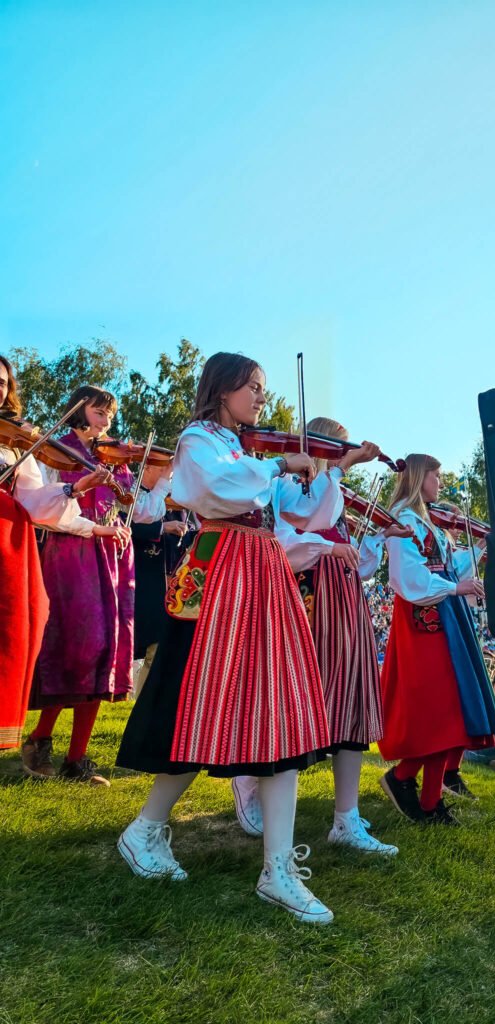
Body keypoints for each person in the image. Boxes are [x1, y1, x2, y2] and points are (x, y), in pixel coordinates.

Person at [116, 352, 335, 925]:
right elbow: (218, 489)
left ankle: (278, 867)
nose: (262, 397)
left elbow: (304, 514)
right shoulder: (199, 440)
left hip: (259, 574)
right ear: (224, 386)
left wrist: (328, 469)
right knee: (195, 703)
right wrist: (280, 464)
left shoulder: (244, 450)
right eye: (254, 387)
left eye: (263, 389)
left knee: (276, 707)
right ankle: (147, 829)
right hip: (220, 575)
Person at [232, 415, 410, 856]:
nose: (335, 456)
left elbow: (361, 566)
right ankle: (251, 778)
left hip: (345, 596)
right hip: (309, 596)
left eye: (339, 450)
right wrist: (341, 467)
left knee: (351, 697)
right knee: (299, 698)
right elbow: (296, 535)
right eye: (331, 448)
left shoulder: (329, 485)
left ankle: (345, 819)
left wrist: (374, 541)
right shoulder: (286, 483)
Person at [22, 386, 167, 785]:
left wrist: (147, 477)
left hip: (114, 553)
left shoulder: (113, 458)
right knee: (78, 647)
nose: (106, 420)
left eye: (110, 414)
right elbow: (47, 507)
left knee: (107, 651)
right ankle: (39, 739)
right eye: (99, 411)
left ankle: (78, 758)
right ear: (79, 409)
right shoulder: (57, 449)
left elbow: (138, 511)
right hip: (74, 550)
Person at [377, 454, 495, 824]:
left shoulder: (424, 520)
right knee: (439, 710)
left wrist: (479, 549)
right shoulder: (403, 518)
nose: (440, 482)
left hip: (443, 615)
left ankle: (427, 798)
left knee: (449, 711)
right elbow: (407, 578)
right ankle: (411, 787)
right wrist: (454, 587)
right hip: (423, 619)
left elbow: (447, 566)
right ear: (420, 476)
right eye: (436, 474)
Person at [0, 358, 114, 753]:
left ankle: (64, 751)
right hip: (61, 555)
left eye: (2, 383)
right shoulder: (48, 444)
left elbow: (33, 502)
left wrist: (73, 489)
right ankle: (42, 740)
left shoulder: (17, 445)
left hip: (12, 543)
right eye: (98, 409)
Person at [131, 464, 192, 699]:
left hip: (168, 578)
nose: (169, 473)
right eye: (163, 468)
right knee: (145, 641)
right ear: (147, 468)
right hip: (141, 576)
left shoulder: (174, 500)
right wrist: (162, 527)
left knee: (158, 645)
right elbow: (127, 524)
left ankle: (147, 700)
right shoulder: (132, 492)